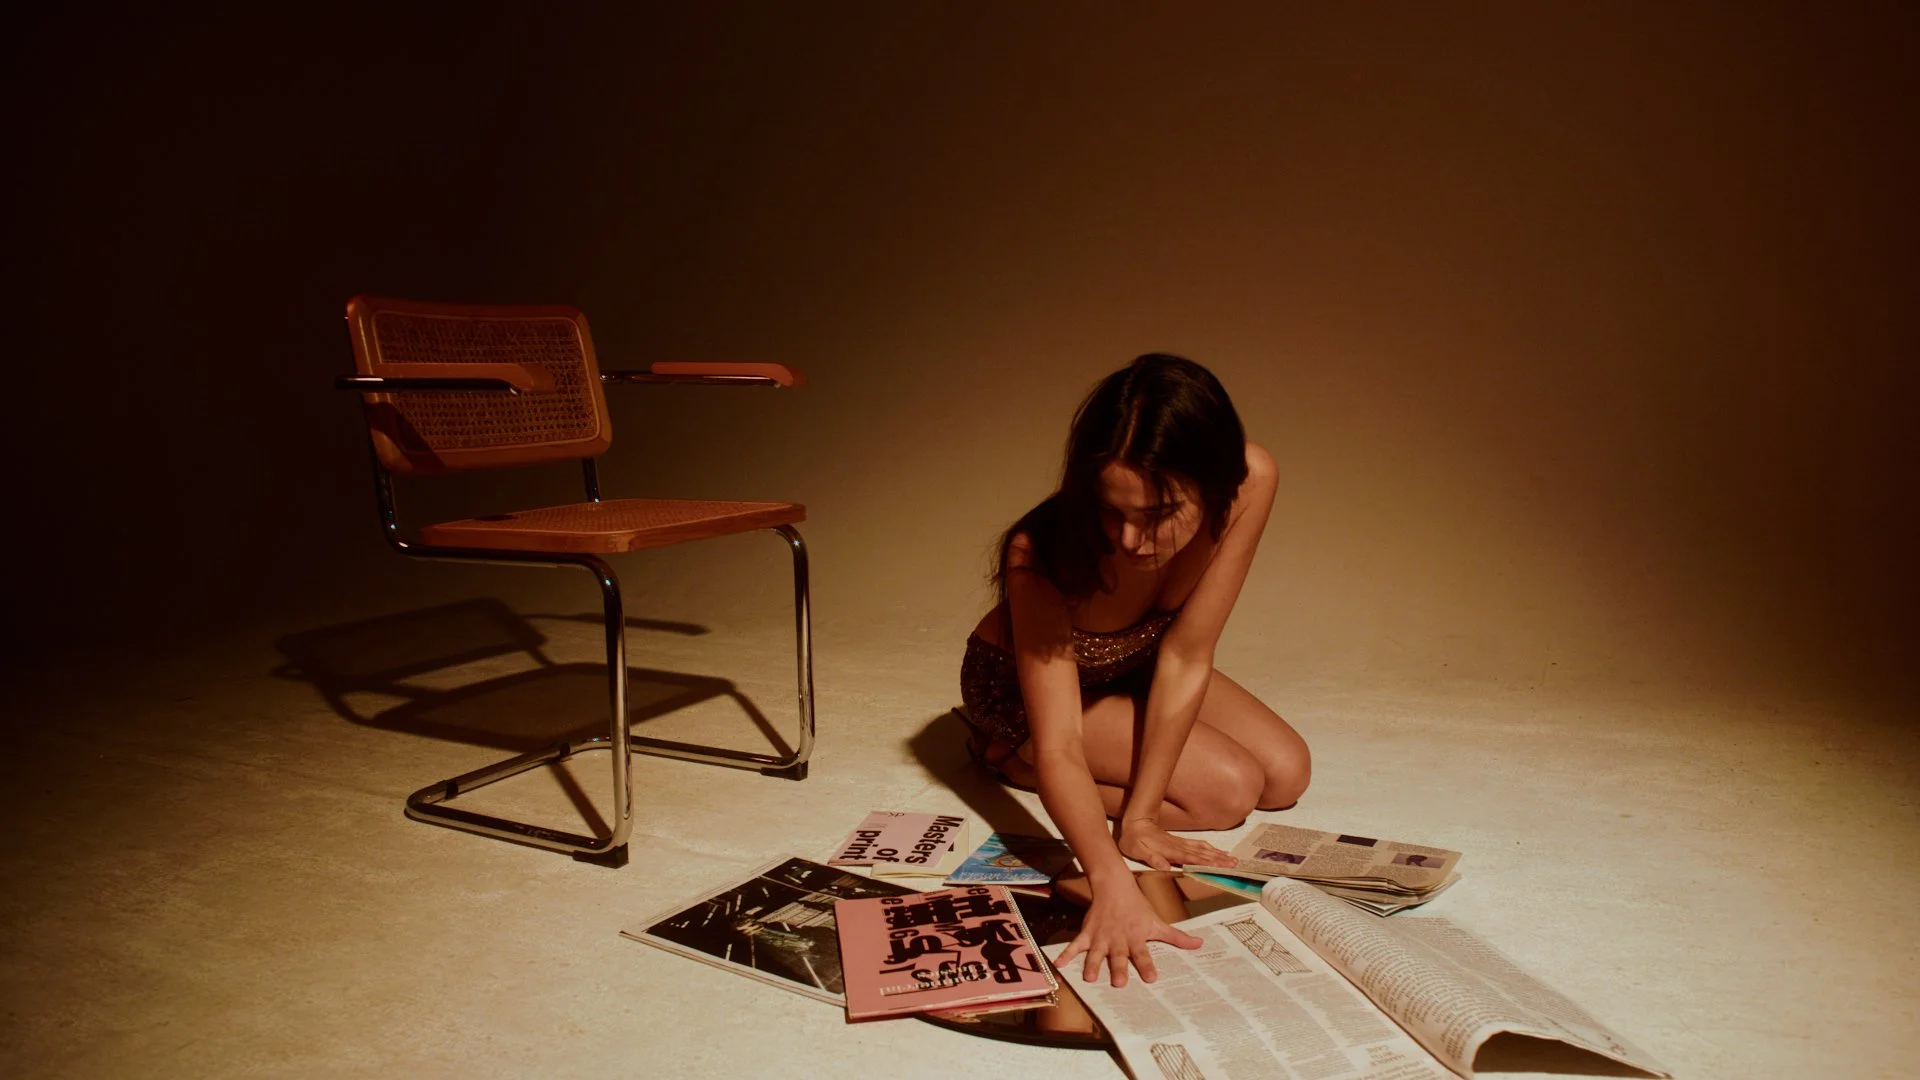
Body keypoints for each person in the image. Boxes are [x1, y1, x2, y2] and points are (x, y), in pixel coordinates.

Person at [958, 353, 1310, 989]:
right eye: (1110, 510)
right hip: (1022, 689)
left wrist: (1142, 816)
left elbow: (1186, 652)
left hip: (1138, 658)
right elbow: (1063, 743)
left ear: (1214, 479)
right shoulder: (1038, 550)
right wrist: (1110, 878)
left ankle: (1108, 787)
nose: (1130, 541)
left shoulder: (1252, 478)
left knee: (1285, 774)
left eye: (1158, 515)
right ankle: (1007, 755)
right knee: (1226, 793)